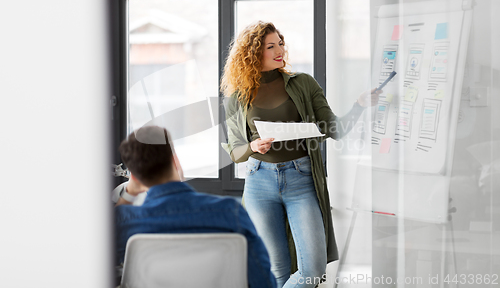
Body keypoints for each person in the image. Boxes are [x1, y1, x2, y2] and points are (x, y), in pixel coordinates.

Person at [220, 21, 381, 288]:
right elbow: (235, 150)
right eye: (271, 46)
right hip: (259, 181)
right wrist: (253, 147)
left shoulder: (303, 83)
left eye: (281, 43)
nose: (279, 50)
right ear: (253, 52)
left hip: (301, 178)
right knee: (278, 270)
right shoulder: (237, 97)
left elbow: (334, 129)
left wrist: (359, 105)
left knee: (313, 271)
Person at [115, 126, 277, 288]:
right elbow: (264, 283)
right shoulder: (230, 212)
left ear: (134, 177)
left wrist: (128, 194)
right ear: (175, 161)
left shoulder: (124, 223)